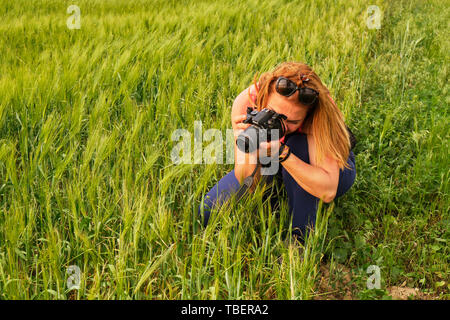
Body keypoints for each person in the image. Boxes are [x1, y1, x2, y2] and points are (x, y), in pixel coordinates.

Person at [198, 61, 356, 243]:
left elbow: (328, 190)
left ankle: (299, 239)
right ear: (263, 97)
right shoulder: (246, 102)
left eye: (292, 121)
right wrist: (252, 151)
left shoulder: (319, 115)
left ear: (307, 115)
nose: (280, 125)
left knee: (298, 144)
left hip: (330, 171)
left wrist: (283, 153)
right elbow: (247, 179)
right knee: (206, 212)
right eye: (272, 113)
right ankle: (279, 188)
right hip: (276, 158)